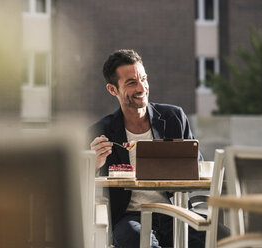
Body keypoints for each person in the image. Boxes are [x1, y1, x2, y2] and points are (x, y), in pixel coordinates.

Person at [89, 49, 210, 248]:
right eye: (131, 83)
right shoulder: (101, 131)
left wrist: (187, 160)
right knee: (140, 242)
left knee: (219, 237)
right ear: (112, 89)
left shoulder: (174, 118)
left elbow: (197, 165)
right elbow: (79, 184)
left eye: (143, 79)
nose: (141, 87)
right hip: (129, 218)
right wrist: (92, 165)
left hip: (175, 212)